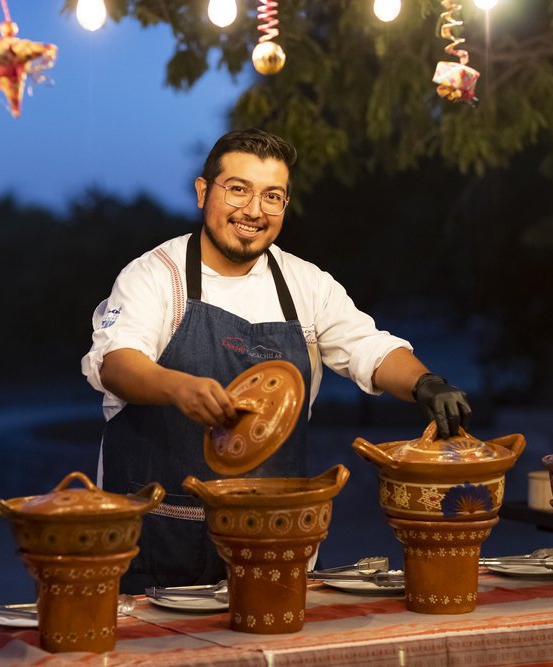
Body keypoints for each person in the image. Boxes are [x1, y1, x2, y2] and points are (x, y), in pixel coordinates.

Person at [81, 128, 471, 593]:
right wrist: (178, 387)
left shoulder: (305, 284)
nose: (254, 210)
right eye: (238, 189)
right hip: (158, 539)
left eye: (273, 196)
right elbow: (115, 362)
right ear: (204, 191)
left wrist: (426, 382)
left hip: (273, 540)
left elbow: (370, 347)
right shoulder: (154, 275)